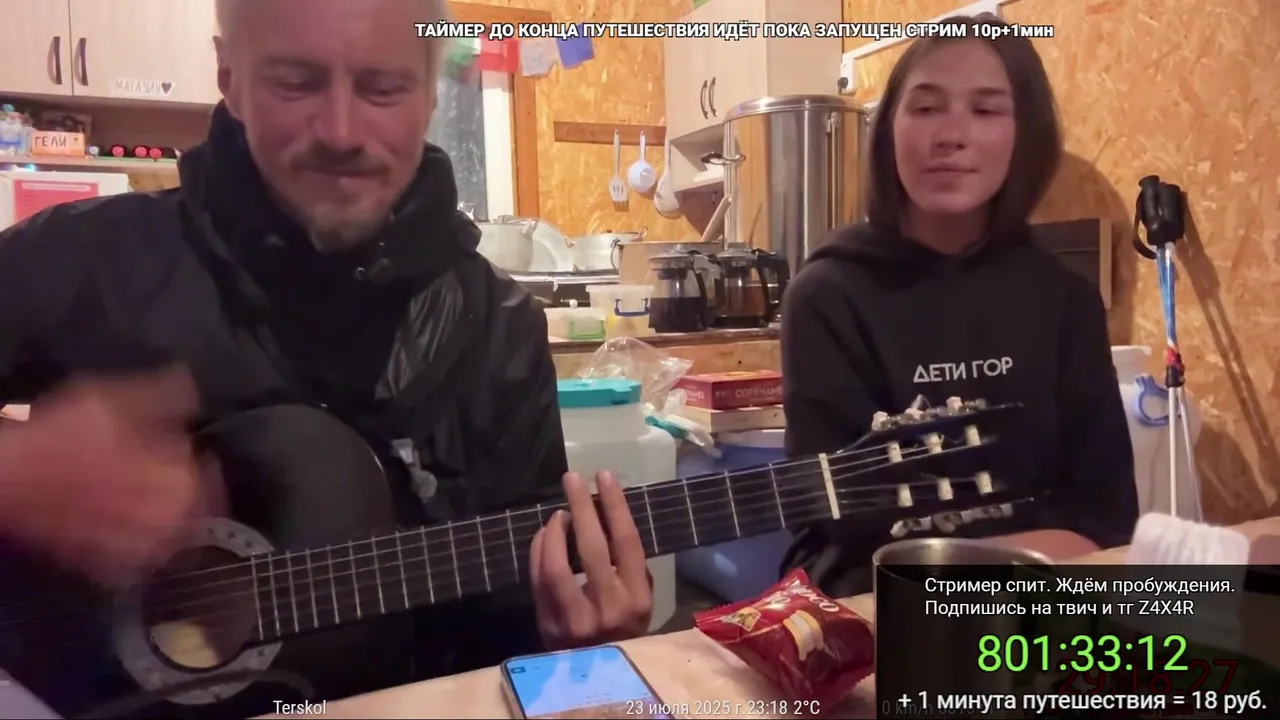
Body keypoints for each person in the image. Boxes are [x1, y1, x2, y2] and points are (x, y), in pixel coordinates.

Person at [0, 0, 651, 714]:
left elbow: (517, 632)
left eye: (383, 87)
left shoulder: (497, 329)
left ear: (430, 96)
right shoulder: (79, 261)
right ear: (229, 77)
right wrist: (18, 472)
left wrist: (582, 654)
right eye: (295, 81)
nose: (341, 131)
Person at [780, 13, 1139, 598]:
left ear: (1026, 135)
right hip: (882, 614)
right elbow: (834, 545)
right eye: (926, 107)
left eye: (986, 110)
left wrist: (986, 573)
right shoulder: (827, 296)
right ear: (889, 129)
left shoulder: (1066, 299)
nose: (951, 134)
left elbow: (1107, 522)